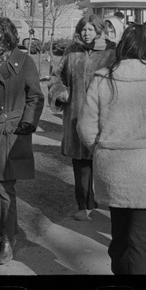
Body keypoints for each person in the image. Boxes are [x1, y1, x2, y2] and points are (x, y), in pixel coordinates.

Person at [77, 24, 146, 275]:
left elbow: (85, 128)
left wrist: (103, 151)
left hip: (114, 171)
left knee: (120, 239)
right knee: (142, 243)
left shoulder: (103, 77)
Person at [0, 17, 44, 265]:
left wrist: (26, 124)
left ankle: (6, 241)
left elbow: (36, 97)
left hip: (12, 132)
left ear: (9, 38)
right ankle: (1, 238)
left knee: (5, 189)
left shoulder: (24, 62)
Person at [48, 14, 114, 221]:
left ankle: (108, 201)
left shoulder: (112, 52)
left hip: (103, 116)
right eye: (83, 29)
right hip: (76, 115)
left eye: (91, 29)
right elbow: (55, 77)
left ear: (99, 31)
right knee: (80, 163)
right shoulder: (72, 52)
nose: (86, 33)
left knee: (103, 161)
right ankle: (83, 204)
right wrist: (60, 91)